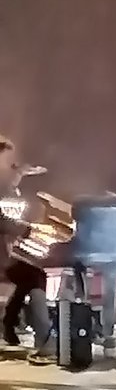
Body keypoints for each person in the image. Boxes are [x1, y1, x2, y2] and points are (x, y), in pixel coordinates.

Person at [0, 138, 53, 358]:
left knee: (28, 277)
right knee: (35, 276)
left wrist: (19, 174)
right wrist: (26, 229)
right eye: (7, 160)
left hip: (5, 252)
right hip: (2, 256)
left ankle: (9, 322)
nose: (10, 165)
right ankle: (44, 338)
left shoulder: (6, 182)